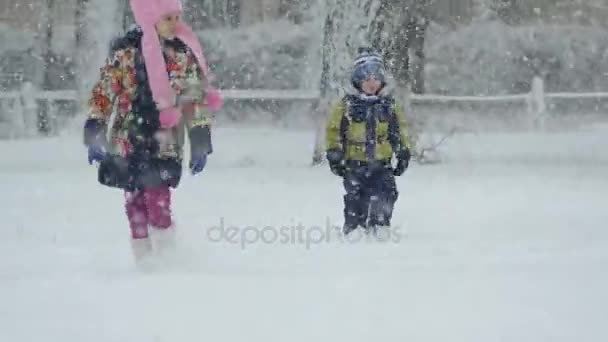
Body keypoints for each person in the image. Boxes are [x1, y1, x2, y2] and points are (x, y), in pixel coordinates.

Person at [83, 0, 223, 262]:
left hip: (164, 139)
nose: (174, 23)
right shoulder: (125, 54)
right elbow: (104, 91)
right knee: (133, 200)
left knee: (157, 198)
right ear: (149, 18)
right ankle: (144, 260)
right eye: (167, 17)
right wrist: (94, 128)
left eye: (176, 17)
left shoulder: (180, 55)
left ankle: (167, 256)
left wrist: (200, 138)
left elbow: (195, 99)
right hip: (127, 138)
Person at [325, 48, 413, 235]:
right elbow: (334, 130)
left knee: (386, 193)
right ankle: (354, 226)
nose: (372, 84)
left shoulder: (388, 105)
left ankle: (379, 224)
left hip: (382, 163)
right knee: (355, 196)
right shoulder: (347, 105)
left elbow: (399, 130)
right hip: (355, 162)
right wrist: (334, 153)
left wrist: (403, 151)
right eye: (366, 80)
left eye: (375, 79)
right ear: (357, 82)